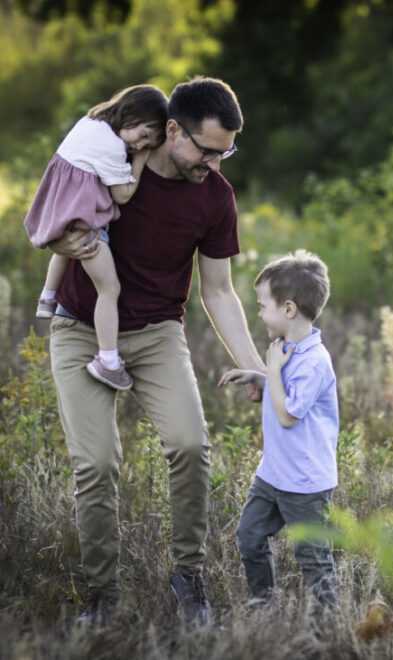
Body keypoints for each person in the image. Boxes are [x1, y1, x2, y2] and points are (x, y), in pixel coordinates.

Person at [46, 76, 265, 627]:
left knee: (192, 445)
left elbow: (218, 290)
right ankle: (100, 596)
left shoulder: (217, 196)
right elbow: (54, 199)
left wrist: (256, 365)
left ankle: (189, 577)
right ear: (172, 130)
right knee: (96, 464)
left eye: (227, 152)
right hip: (80, 329)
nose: (215, 163)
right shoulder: (114, 161)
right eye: (207, 150)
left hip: (157, 332)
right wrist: (59, 238)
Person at [218, 249, 339, 615]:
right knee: (249, 536)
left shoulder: (314, 361)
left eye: (263, 305)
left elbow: (287, 416)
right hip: (272, 474)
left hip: (304, 482)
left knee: (312, 558)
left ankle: (328, 623)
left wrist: (270, 371)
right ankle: (264, 605)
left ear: (288, 309)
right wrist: (259, 375)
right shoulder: (285, 350)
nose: (258, 313)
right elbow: (280, 387)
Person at [25, 84, 169, 390]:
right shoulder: (114, 147)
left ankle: (48, 296)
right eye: (143, 135)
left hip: (64, 209)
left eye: (147, 143)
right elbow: (123, 195)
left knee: (66, 249)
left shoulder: (89, 123)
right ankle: (108, 360)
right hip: (83, 219)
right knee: (109, 287)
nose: (138, 145)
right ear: (130, 112)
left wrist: (138, 146)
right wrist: (141, 160)